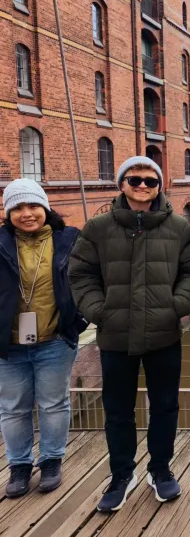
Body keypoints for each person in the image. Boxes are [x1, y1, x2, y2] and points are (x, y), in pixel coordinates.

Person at [69, 157, 190, 512]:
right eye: (135, 179)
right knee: (117, 410)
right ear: (121, 183)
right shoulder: (97, 228)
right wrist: (99, 310)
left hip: (164, 334)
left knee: (164, 406)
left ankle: (160, 469)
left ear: (160, 185)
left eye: (150, 180)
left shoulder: (178, 228)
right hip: (115, 336)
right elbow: (80, 275)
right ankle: (121, 475)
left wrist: (178, 304)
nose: (142, 185)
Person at [0, 179, 86, 498]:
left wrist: (79, 320)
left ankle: (51, 460)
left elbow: (89, 279)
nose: (27, 214)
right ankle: (19, 465)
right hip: (9, 345)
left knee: (54, 403)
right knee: (13, 407)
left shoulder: (69, 239)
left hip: (55, 338)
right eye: (18, 207)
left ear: (45, 208)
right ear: (8, 212)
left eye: (33, 206)